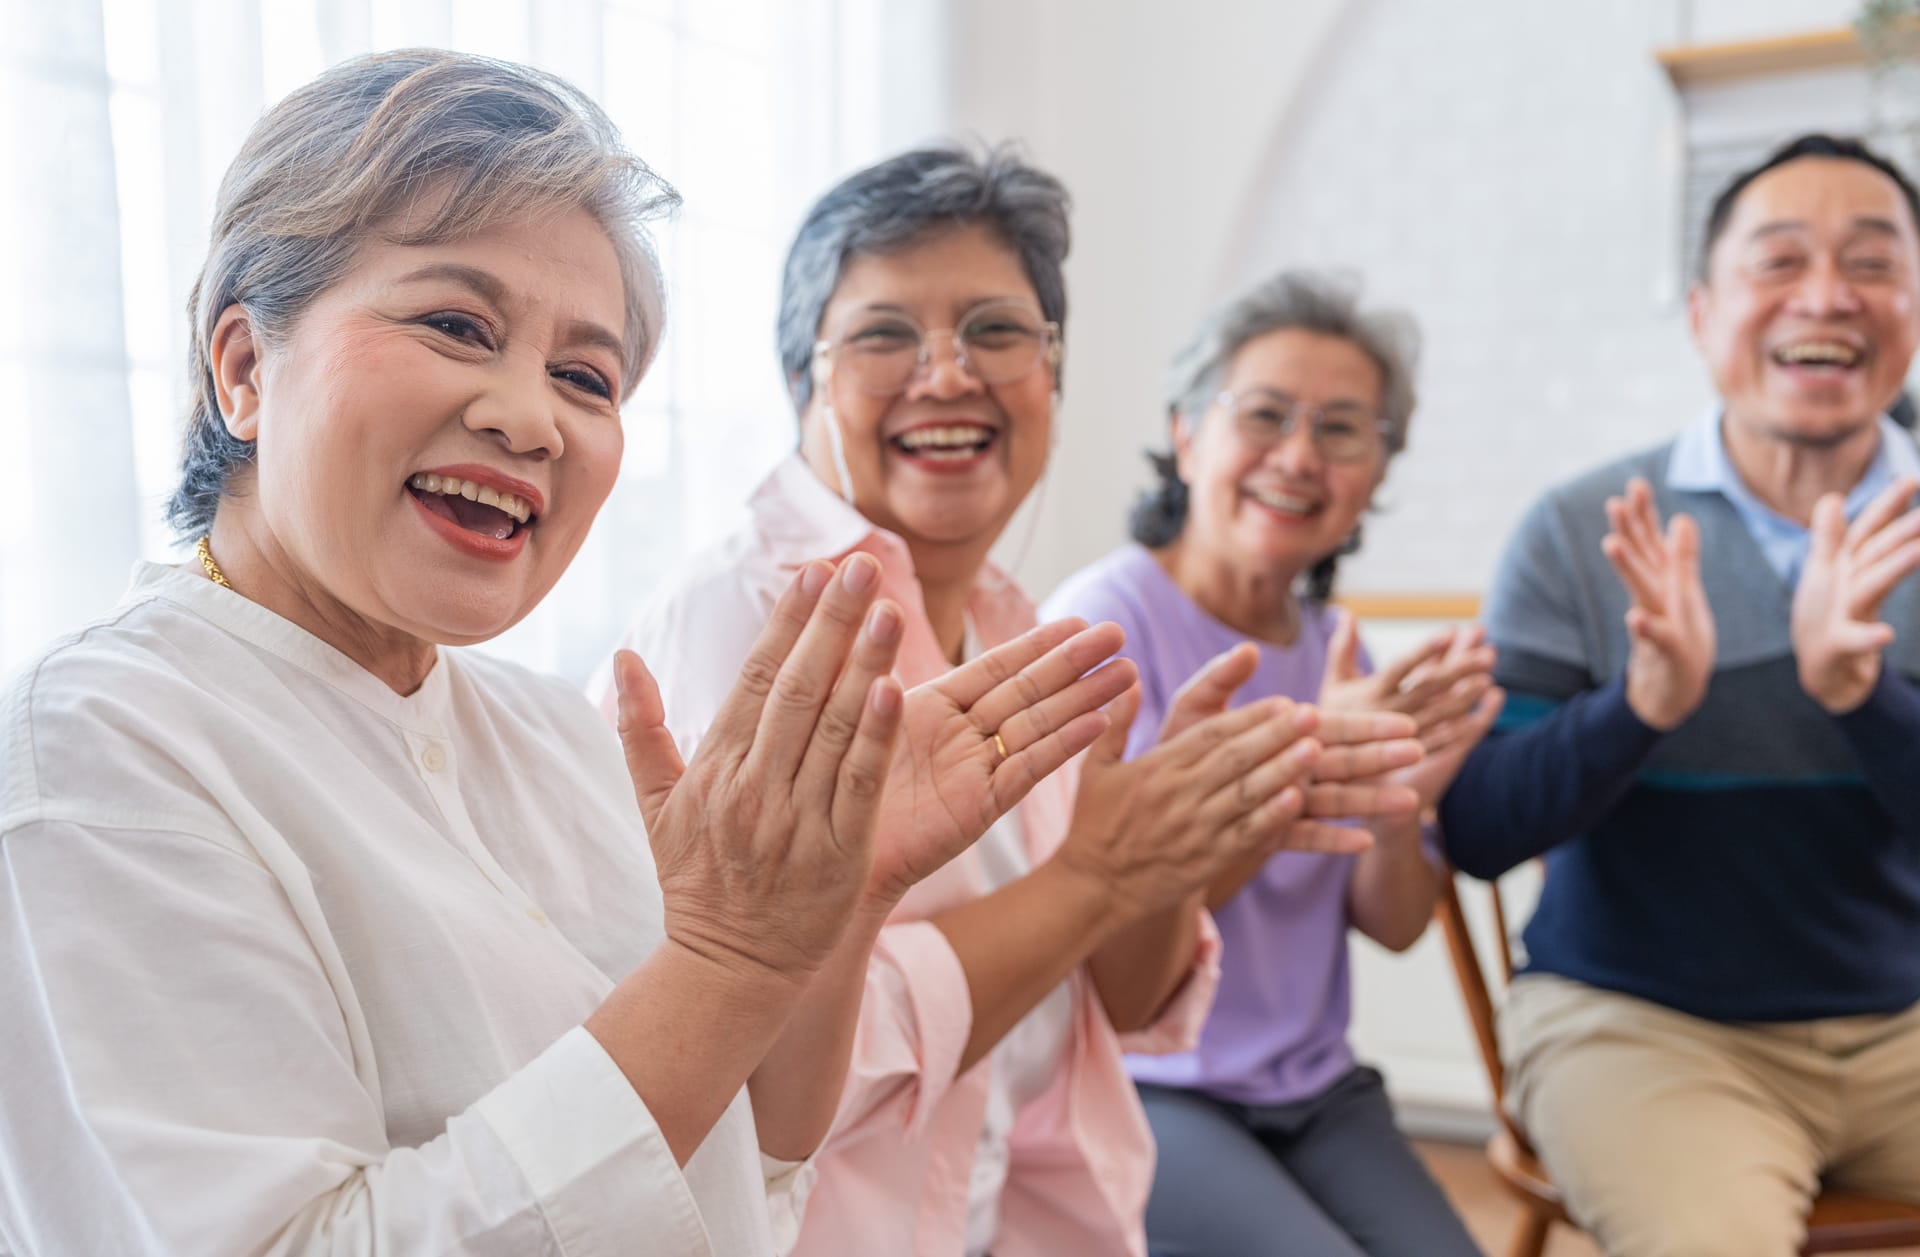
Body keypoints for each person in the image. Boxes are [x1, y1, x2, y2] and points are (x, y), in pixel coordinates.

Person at [0, 51, 1129, 1257]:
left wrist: (835, 908)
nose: (528, 416)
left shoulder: (552, 733)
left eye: (584, 376)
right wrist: (731, 959)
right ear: (242, 368)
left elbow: (753, 1160)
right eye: (454, 324)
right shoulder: (99, 747)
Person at [597, 147, 1425, 1257]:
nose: (949, 375)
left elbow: (1114, 1007)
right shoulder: (748, 624)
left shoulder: (1019, 630)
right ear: (806, 382)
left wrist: (1170, 848)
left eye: (997, 332)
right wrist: (1101, 874)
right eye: (887, 334)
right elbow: (767, 1083)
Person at [1440, 133, 1920, 1257]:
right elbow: (1476, 830)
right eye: (1780, 260)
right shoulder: (1583, 529)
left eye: (1872, 262)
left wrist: (1863, 699)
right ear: (1704, 313)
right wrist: (1641, 708)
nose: (1827, 296)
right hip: (1644, 1030)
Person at [1045, 270, 1496, 1257]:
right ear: (1188, 432)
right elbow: (1106, 933)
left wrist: (1397, 805)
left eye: (1342, 429)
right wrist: (1309, 760)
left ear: (1376, 473)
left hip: (1317, 1089)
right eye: (1266, 415)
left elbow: (1395, 922)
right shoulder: (1100, 624)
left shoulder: (1339, 646)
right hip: (1146, 1084)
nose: (1300, 456)